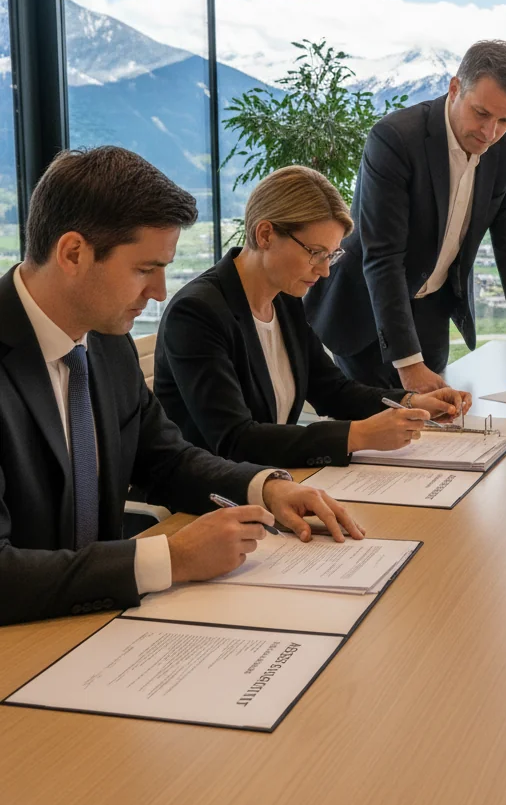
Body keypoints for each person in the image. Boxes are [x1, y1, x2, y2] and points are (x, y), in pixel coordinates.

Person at [0, 146, 368, 628]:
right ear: (73, 253)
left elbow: (167, 459)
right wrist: (168, 559)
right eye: (145, 268)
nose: (159, 291)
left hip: (101, 620)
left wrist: (264, 488)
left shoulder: (105, 344)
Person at [304, 39, 506, 394]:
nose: (490, 133)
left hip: (432, 311)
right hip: (367, 313)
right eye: (481, 113)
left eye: (505, 119)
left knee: (434, 432)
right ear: (455, 88)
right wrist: (408, 365)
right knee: (378, 433)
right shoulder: (394, 139)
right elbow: (383, 257)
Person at [155, 165, 472, 469]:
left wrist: (411, 401)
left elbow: (331, 390)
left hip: (274, 480)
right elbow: (235, 439)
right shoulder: (197, 313)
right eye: (315, 253)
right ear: (265, 234)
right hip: (212, 502)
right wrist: (358, 435)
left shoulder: (284, 300)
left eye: (331, 255)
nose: (323, 271)